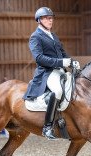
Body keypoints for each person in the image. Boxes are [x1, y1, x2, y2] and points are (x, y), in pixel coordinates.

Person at [23, 7, 80, 140]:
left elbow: (62, 53)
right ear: (39, 20)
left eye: (51, 18)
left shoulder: (53, 35)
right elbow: (39, 58)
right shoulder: (35, 37)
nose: (50, 20)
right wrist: (61, 63)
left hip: (60, 71)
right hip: (47, 72)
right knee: (58, 91)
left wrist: (72, 62)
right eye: (47, 18)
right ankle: (47, 127)